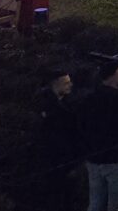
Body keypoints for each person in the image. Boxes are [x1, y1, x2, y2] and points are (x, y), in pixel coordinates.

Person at [76, 63, 118, 211]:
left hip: (94, 159)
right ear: (113, 76)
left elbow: (82, 126)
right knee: (116, 205)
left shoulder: (89, 99)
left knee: (95, 202)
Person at [34, 67, 83, 210]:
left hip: (59, 162)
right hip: (56, 162)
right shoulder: (54, 109)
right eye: (66, 83)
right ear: (56, 84)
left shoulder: (62, 106)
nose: (70, 85)